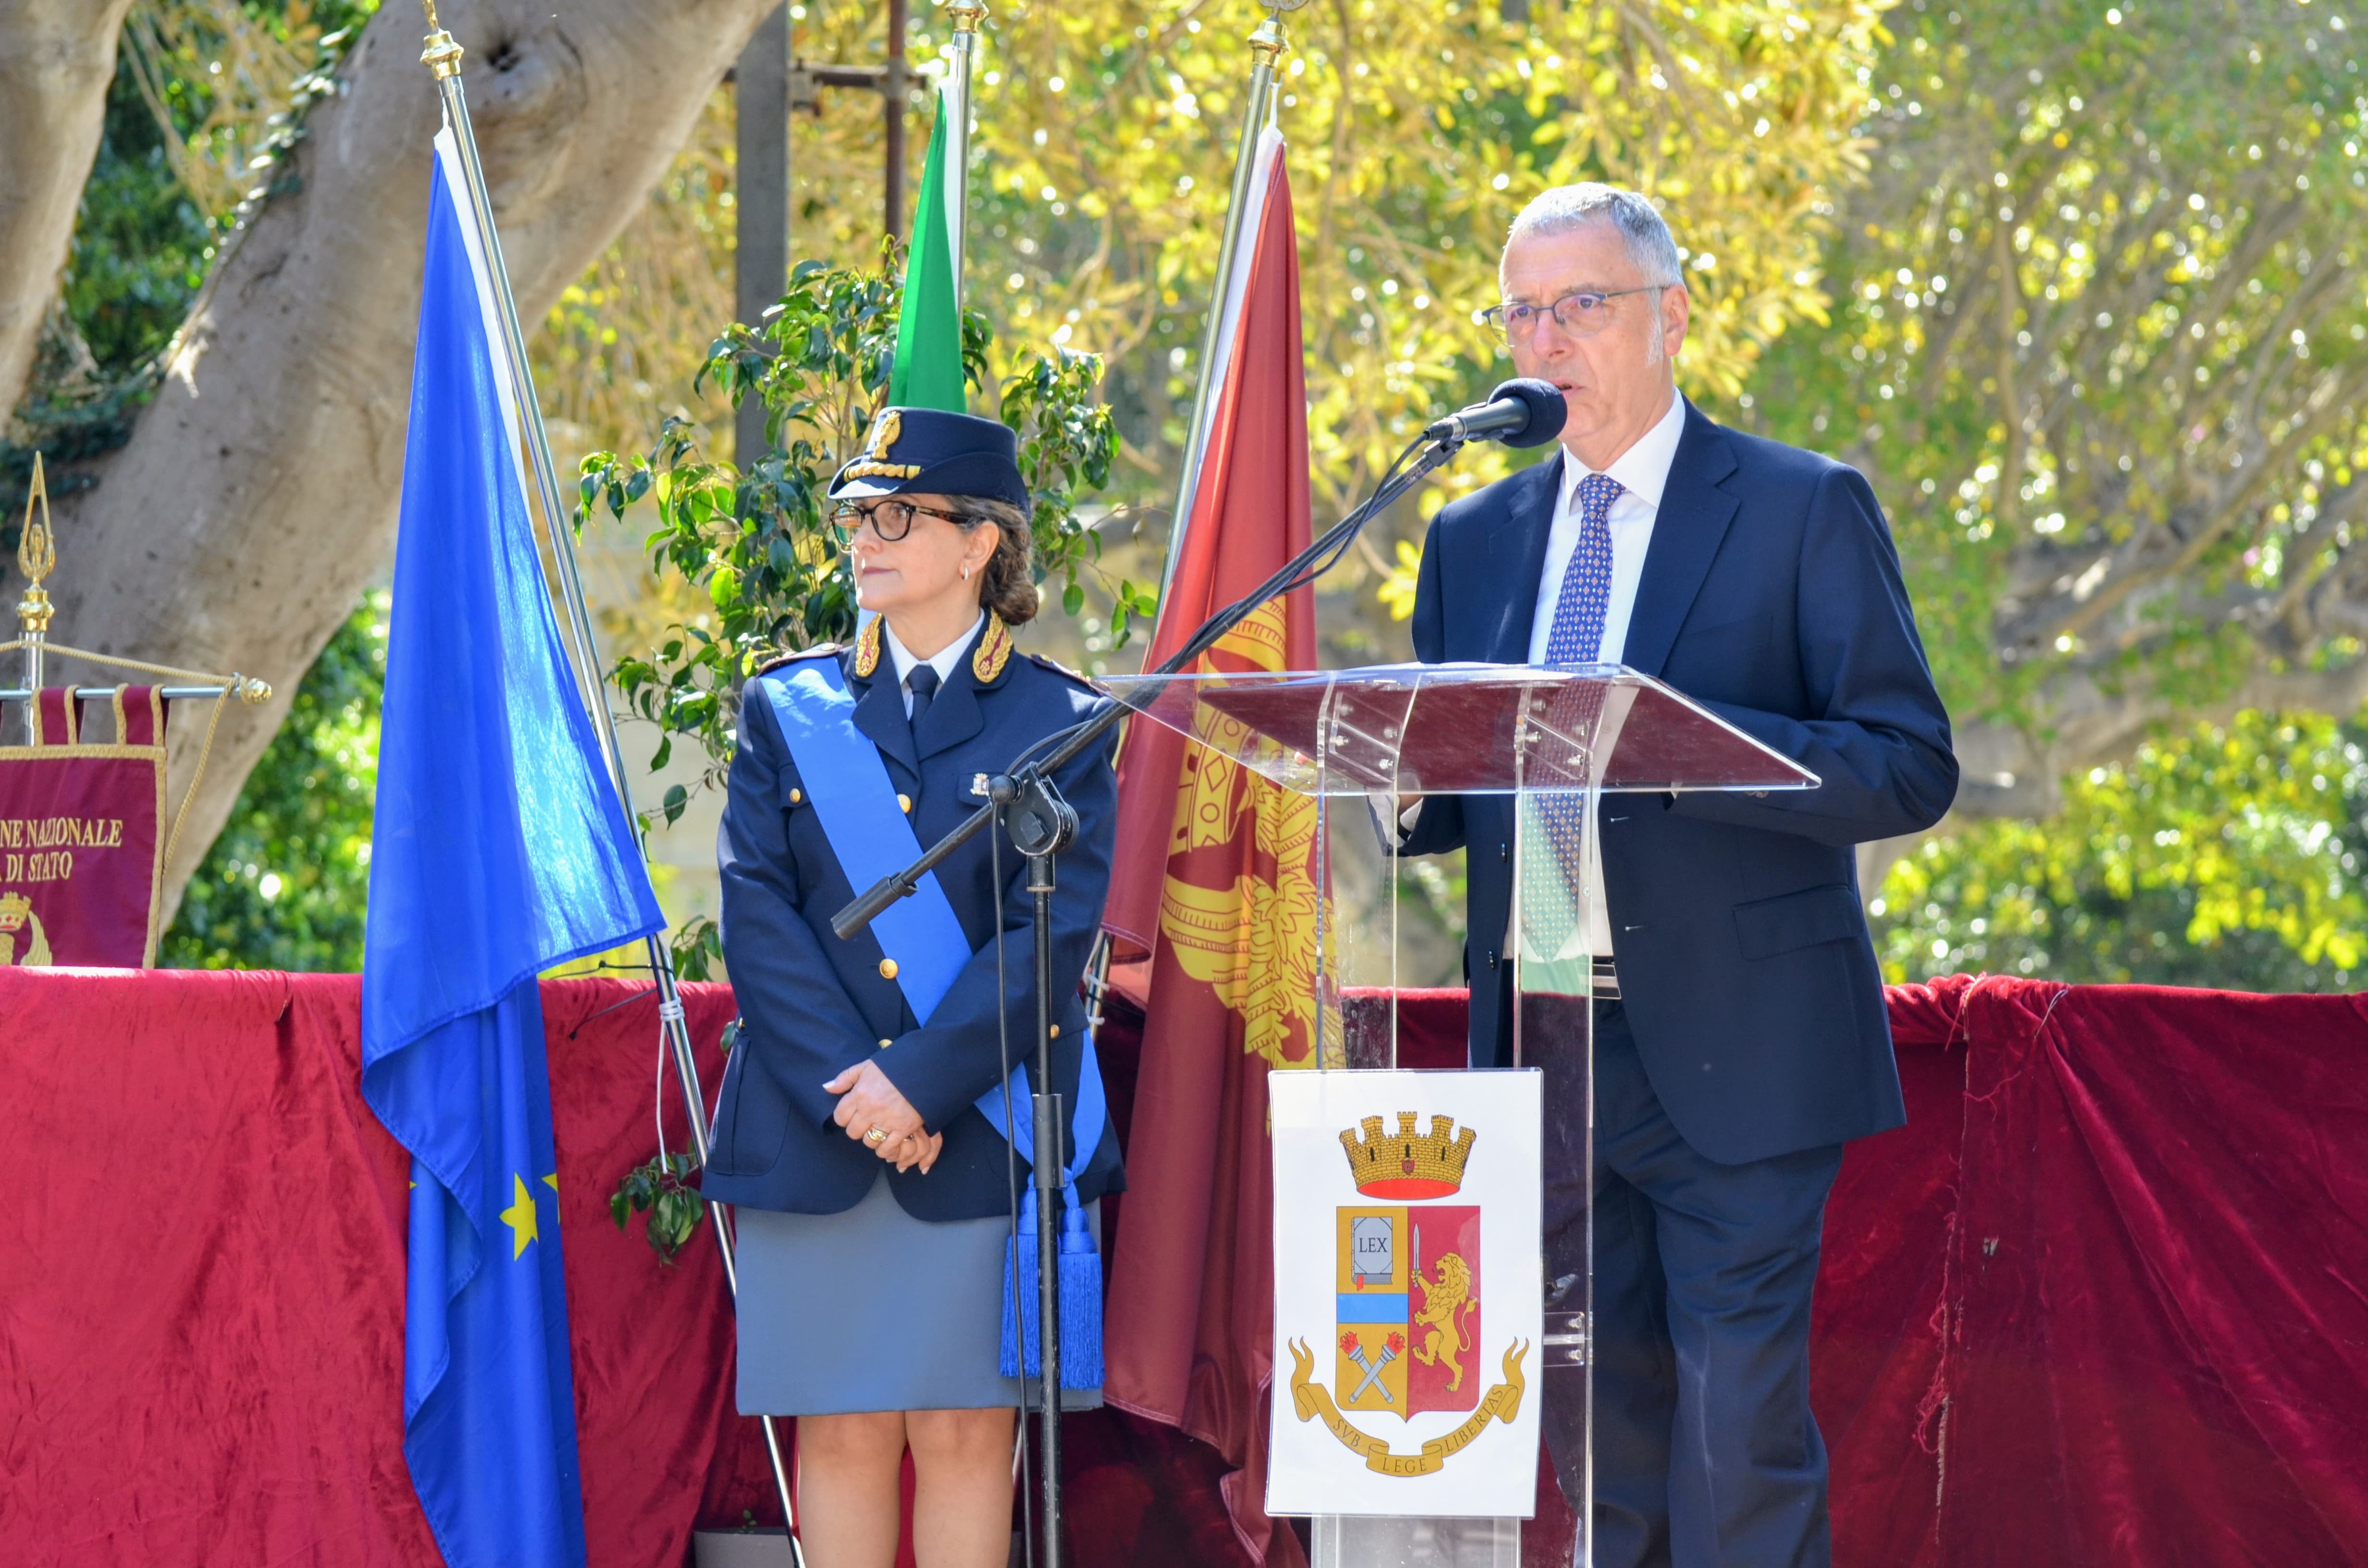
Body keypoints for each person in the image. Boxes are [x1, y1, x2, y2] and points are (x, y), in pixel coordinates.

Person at [1397, 184, 1958, 1568]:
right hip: (1542, 1038)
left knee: (1737, 1445)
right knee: (1603, 1460)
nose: (1546, 342)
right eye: (1523, 313)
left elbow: (1906, 766)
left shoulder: (1799, 507)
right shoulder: (1471, 539)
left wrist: (1674, 749)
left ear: (1672, 316)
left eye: (1581, 305)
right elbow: (1457, 787)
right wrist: (1404, 789)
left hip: (1742, 1046)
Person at [700, 406, 1124, 1568]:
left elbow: (1051, 935)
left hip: (982, 1122)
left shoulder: (1064, 721)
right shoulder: (787, 708)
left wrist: (919, 1087)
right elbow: (757, 913)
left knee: (962, 1430)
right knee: (840, 1429)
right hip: (821, 1117)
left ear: (981, 542)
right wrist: (860, 1090)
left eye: (896, 516)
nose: (862, 538)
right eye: (855, 516)